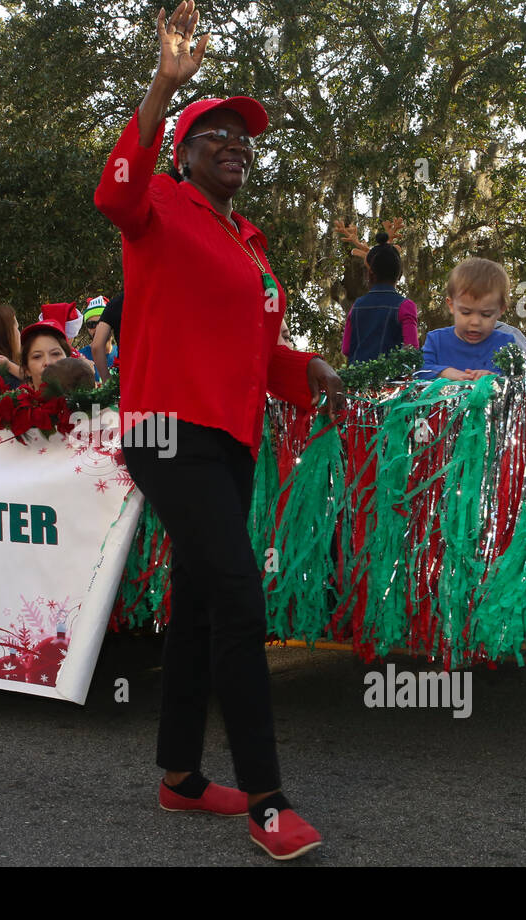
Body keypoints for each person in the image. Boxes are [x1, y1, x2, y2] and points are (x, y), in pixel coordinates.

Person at [93, 1, 342, 861]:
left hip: (228, 437)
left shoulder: (251, 245)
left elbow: (260, 352)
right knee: (238, 594)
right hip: (167, 431)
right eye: (218, 135)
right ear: (184, 151)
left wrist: (304, 368)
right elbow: (111, 190)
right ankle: (268, 800)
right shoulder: (156, 205)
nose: (237, 144)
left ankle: (180, 776)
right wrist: (166, 85)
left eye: (246, 139)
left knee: (199, 602)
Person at [417, 257, 526, 379]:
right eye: (466, 312)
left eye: (486, 314)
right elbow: (419, 369)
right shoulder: (437, 341)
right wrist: (444, 372)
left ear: (501, 310)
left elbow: (519, 375)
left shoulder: (505, 344)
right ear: (451, 305)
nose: (475, 322)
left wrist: (495, 377)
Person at [342, 231, 420, 363]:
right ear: (399, 274)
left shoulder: (357, 305)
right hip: (392, 381)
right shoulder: (405, 306)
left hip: (356, 379)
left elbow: (346, 349)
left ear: (370, 273)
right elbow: (411, 349)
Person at [80, 295, 118, 380]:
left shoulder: (123, 354)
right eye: (91, 324)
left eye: (101, 323)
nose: (97, 328)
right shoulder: (79, 358)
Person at [92, 292, 124, 382]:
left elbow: (96, 346)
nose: (95, 328)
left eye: (97, 322)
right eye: (91, 324)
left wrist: (107, 382)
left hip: (129, 376)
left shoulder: (118, 303)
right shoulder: (164, 297)